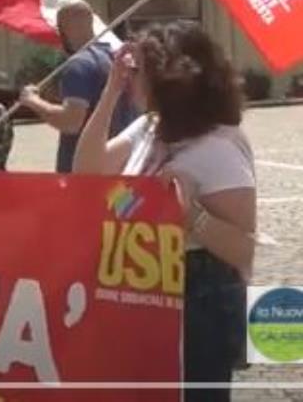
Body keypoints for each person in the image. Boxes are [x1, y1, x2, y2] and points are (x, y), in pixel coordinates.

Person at [72, 21, 254, 402]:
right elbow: (87, 171)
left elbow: (242, 249)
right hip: (144, 282)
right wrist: (110, 91)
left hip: (198, 293)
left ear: (169, 78)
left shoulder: (218, 145)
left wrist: (191, 217)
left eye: (138, 71)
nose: (130, 77)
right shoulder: (150, 126)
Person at [18, 1, 137, 173]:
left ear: (64, 28)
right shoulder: (116, 60)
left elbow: (71, 121)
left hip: (83, 173)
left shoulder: (79, 64)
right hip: (118, 166)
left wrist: (33, 101)